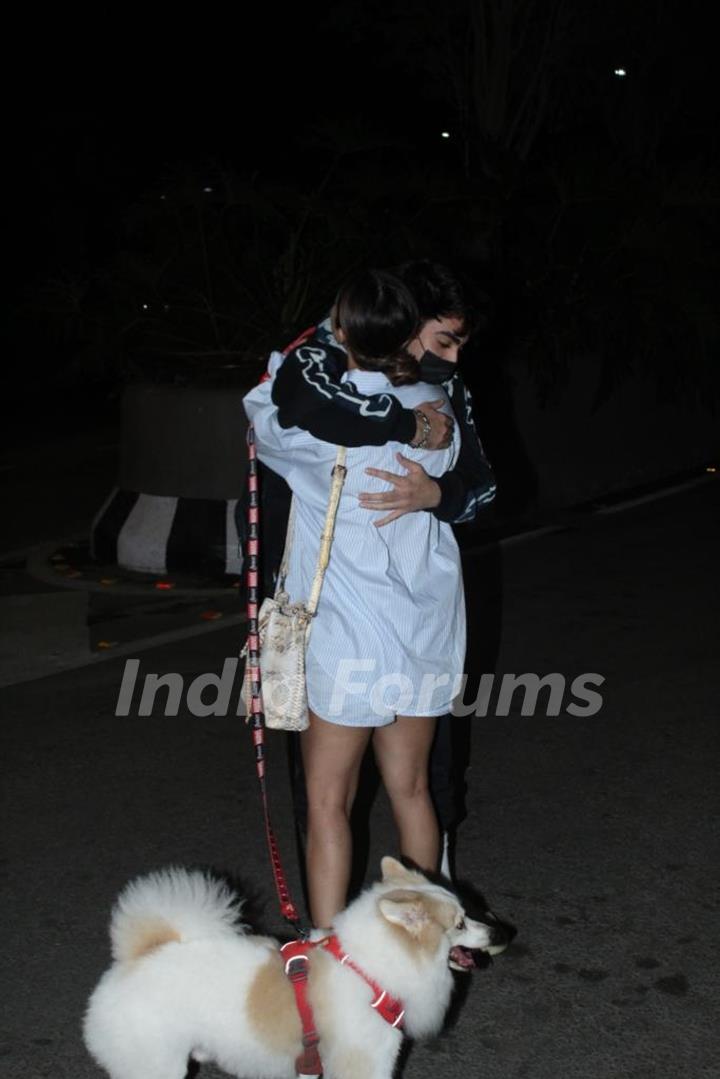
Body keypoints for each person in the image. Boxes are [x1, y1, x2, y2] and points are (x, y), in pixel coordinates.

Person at [244, 269, 465, 930]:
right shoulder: (436, 414)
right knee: (414, 788)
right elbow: (453, 460)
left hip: (346, 636)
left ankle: (327, 952)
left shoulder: (307, 429)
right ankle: (420, 943)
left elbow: (264, 399)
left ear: (341, 333)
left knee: (327, 802)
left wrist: (319, 339)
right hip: (423, 630)